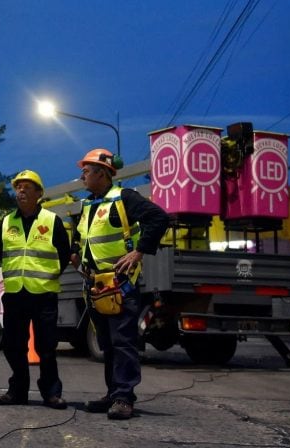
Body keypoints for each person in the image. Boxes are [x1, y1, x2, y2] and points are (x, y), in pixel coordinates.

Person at [71, 148, 168, 420]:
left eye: (87, 170)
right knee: (108, 343)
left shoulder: (124, 198)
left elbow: (159, 218)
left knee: (123, 341)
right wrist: (74, 252)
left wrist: (139, 251)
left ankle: (124, 398)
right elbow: (82, 238)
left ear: (102, 173)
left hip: (119, 284)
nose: (82, 175)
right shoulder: (88, 204)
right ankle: (114, 393)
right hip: (95, 286)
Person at [0, 170, 71, 409]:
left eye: (28, 187)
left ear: (39, 193)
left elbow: (64, 254)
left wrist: (50, 276)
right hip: (15, 294)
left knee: (46, 347)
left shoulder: (51, 220)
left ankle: (51, 393)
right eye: (18, 187)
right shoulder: (6, 222)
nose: (22, 191)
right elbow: (3, 254)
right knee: (13, 345)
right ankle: (18, 390)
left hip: (44, 293)